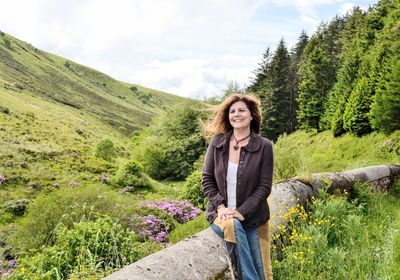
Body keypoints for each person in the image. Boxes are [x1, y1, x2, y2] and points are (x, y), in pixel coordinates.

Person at [202, 94, 274, 280]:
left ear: (252, 115)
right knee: (231, 224)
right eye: (232, 111)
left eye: (242, 110)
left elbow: (264, 187)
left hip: (254, 219)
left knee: (264, 272)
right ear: (228, 116)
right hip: (222, 215)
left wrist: (242, 211)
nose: (237, 114)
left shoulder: (264, 146)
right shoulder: (217, 143)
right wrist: (221, 207)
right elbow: (207, 179)